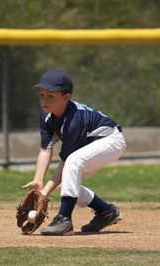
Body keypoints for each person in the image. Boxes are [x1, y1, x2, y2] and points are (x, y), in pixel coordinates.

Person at [21, 70, 127, 235]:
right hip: (93, 144)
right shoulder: (46, 115)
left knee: (72, 162)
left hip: (111, 141)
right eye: (42, 94)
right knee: (64, 184)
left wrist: (43, 194)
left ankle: (64, 218)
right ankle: (106, 212)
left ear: (66, 97)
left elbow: (65, 163)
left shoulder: (74, 120)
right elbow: (45, 149)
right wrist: (38, 180)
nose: (44, 100)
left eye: (50, 96)